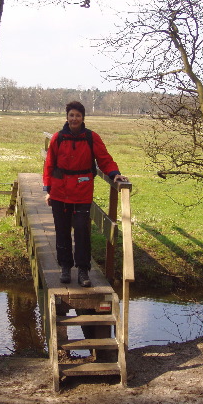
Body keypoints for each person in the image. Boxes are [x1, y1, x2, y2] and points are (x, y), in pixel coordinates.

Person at [43, 101, 128, 287]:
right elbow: (49, 165)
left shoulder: (91, 138)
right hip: (59, 193)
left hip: (82, 193)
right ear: (67, 117)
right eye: (71, 115)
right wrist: (47, 189)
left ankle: (83, 270)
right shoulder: (57, 138)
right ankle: (65, 267)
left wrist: (114, 174)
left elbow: (105, 159)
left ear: (83, 118)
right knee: (62, 232)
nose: (74, 119)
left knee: (82, 232)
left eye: (78, 115)